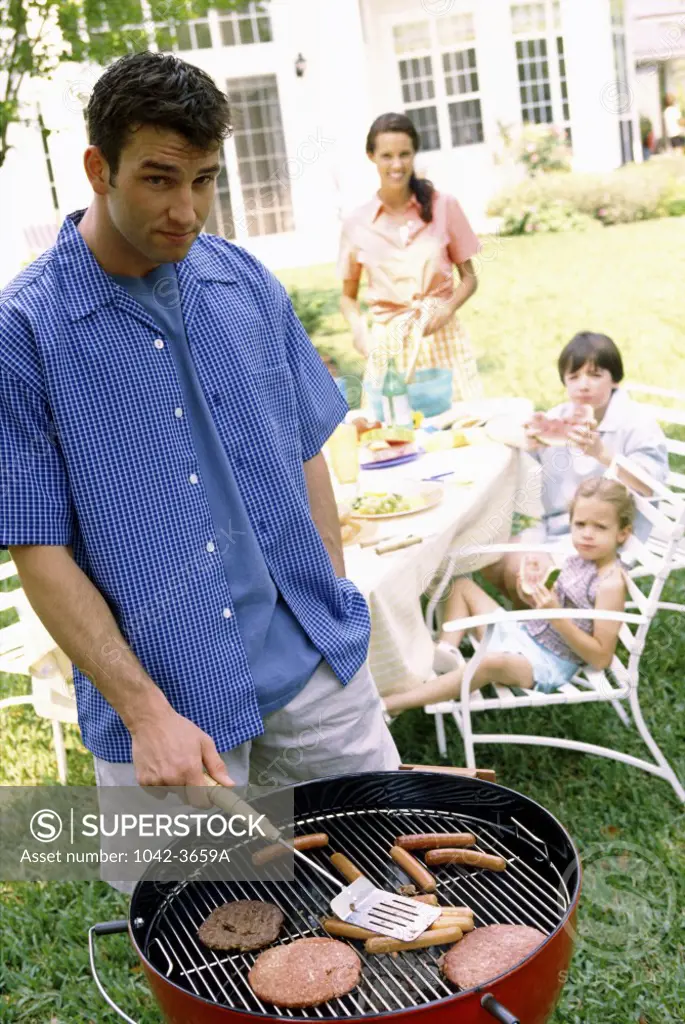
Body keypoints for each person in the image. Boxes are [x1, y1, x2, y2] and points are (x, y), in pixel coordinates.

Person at [0, 51, 400, 798]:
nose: (186, 210)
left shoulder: (242, 280)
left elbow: (305, 444)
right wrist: (146, 713)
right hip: (167, 714)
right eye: (159, 179)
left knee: (390, 884)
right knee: (204, 916)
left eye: (204, 179)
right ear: (98, 167)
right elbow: (38, 551)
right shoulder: (23, 332)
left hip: (316, 675)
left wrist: (328, 587)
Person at [383, 478, 634, 715]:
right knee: (462, 586)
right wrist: (531, 586)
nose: (587, 534)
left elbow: (601, 658)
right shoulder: (579, 559)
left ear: (622, 533)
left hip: (550, 662)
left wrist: (556, 617)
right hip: (524, 634)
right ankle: (447, 653)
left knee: (489, 664)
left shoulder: (610, 583)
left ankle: (394, 704)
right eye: (580, 524)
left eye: (600, 527)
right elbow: (548, 604)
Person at [473, 331, 668, 605]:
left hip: (606, 535)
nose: (583, 386)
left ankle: (550, 635)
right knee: (491, 561)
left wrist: (603, 454)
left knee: (518, 572)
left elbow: (650, 483)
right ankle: (539, 629)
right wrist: (528, 442)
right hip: (554, 524)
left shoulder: (637, 424)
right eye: (574, 377)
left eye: (595, 375)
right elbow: (528, 487)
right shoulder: (558, 417)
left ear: (615, 378)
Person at [338, 112, 482, 408]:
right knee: (394, 436)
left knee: (462, 427)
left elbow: (469, 278)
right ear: (371, 157)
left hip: (442, 336)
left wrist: (448, 308)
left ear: (414, 154)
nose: (397, 165)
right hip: (387, 343)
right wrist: (359, 332)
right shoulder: (356, 223)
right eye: (387, 156)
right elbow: (347, 298)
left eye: (405, 154)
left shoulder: (444, 206)